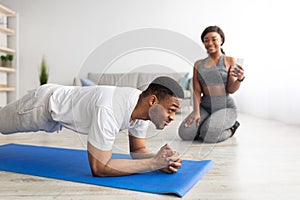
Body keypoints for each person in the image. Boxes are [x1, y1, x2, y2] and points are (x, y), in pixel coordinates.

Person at [0, 76, 184, 177]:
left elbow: (138, 150)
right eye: (171, 110)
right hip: (42, 105)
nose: (172, 118)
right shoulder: (110, 108)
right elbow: (100, 168)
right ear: (153, 101)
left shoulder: (142, 110)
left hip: (59, 111)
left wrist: (161, 160)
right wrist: (153, 163)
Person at [178, 25, 245, 143]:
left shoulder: (230, 61)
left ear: (221, 41)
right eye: (206, 40)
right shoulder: (198, 64)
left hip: (225, 107)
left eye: (214, 39)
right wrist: (196, 111)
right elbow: (196, 91)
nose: (210, 43)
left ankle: (231, 128)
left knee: (209, 135)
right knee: (185, 133)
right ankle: (208, 125)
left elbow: (231, 89)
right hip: (206, 105)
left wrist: (239, 79)